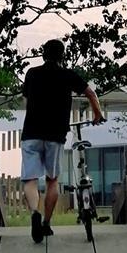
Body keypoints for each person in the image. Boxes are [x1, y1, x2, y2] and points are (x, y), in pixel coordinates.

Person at [20, 39, 104, 242]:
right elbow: (90, 93)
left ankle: (34, 213)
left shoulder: (32, 73)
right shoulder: (68, 75)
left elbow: (25, 96)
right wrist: (97, 114)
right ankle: (46, 223)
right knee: (52, 180)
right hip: (55, 135)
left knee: (30, 180)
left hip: (31, 133)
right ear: (62, 56)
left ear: (43, 55)